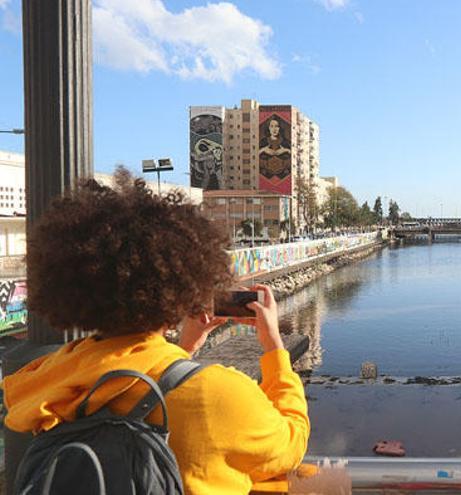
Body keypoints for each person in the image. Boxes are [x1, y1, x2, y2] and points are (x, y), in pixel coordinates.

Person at [2, 169, 309, 495]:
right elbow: (291, 443)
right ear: (183, 285)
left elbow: (129, 382)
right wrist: (274, 346)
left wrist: (184, 348)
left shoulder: (51, 379)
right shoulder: (216, 394)